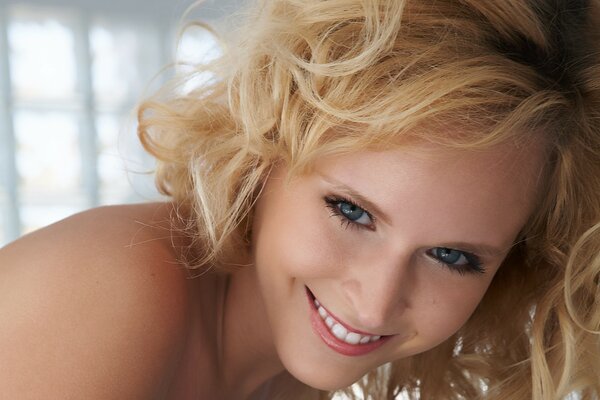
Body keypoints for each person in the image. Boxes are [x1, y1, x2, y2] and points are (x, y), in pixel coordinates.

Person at [1, 0, 599, 398]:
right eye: (352, 212)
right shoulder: (105, 288)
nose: (375, 305)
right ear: (263, 145)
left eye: (451, 256)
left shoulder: (289, 376)